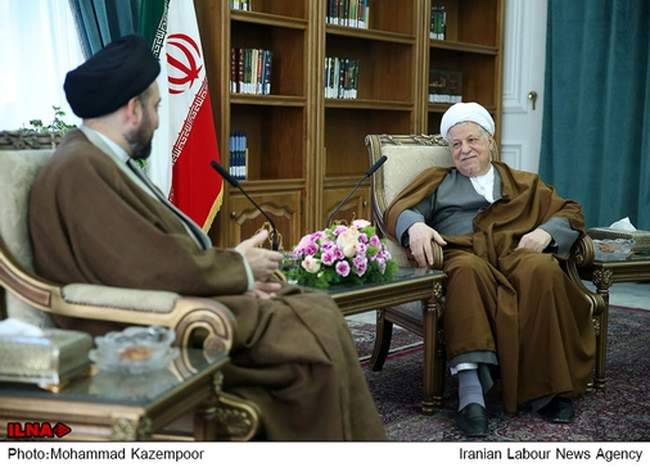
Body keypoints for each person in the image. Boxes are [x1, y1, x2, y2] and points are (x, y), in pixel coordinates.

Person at [28, 35, 386, 441]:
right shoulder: (81, 170)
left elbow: (150, 255)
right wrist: (238, 271)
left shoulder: (97, 159)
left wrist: (234, 270)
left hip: (166, 299)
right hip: (133, 325)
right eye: (156, 107)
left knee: (312, 307)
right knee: (313, 332)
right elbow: (144, 268)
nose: (158, 121)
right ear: (133, 109)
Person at [384, 102, 595, 438]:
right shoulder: (438, 182)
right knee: (466, 271)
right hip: (465, 253)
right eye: (456, 144)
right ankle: (471, 394)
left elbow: (570, 210)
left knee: (541, 269)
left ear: (491, 142)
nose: (464, 149)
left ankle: (549, 389)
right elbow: (398, 210)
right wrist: (415, 226)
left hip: (514, 254)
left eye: (472, 140)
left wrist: (546, 232)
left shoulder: (523, 183)